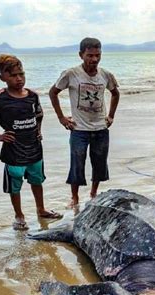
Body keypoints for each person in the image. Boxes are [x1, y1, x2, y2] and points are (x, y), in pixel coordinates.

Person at [0, 54, 62, 230]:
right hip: (13, 151)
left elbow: (39, 114)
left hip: (34, 148)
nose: (19, 79)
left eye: (21, 74)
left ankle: (41, 209)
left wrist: (39, 131)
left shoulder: (33, 96)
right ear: (2, 78)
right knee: (15, 185)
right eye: (13, 75)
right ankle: (19, 216)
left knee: (37, 181)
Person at [49, 38, 120, 208]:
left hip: (100, 128)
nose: (94, 59)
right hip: (79, 129)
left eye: (97, 55)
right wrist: (61, 118)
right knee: (77, 163)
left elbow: (115, 93)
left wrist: (110, 116)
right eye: (90, 55)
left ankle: (94, 193)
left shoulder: (106, 75)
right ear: (81, 55)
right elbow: (53, 93)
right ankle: (74, 197)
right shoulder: (71, 74)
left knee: (99, 163)